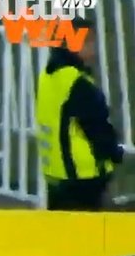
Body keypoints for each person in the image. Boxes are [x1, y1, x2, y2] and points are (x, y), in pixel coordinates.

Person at [35, 18, 123, 211]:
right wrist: (115, 153)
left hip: (55, 174)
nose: (94, 49)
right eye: (90, 42)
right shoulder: (78, 84)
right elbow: (97, 128)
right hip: (85, 177)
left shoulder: (48, 76)